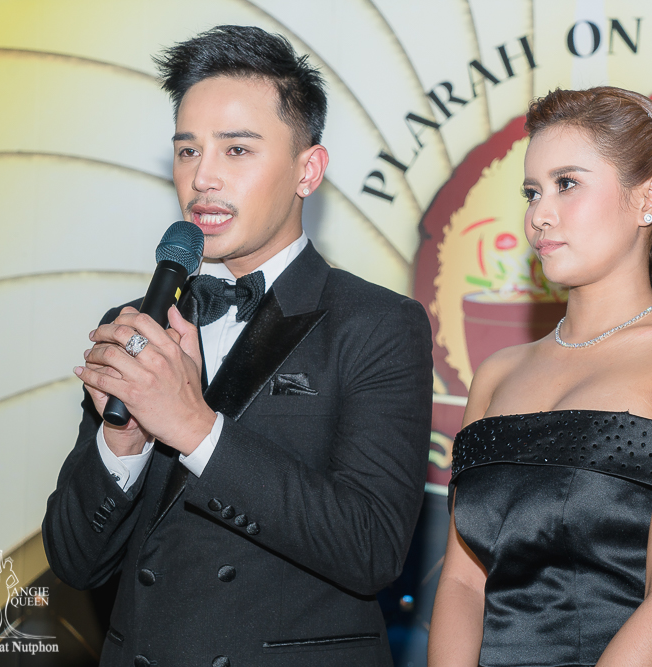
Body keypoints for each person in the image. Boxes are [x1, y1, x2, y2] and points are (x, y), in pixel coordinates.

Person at [42, 25, 433, 667]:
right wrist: (123, 445)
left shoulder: (377, 323)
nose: (203, 178)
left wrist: (193, 426)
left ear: (307, 170)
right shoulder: (142, 323)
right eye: (188, 151)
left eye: (237, 150)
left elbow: (371, 549)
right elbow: (75, 563)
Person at [426, 87, 652, 667]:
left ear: (648, 199)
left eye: (567, 184)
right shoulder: (498, 374)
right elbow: (461, 584)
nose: (539, 214)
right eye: (532, 192)